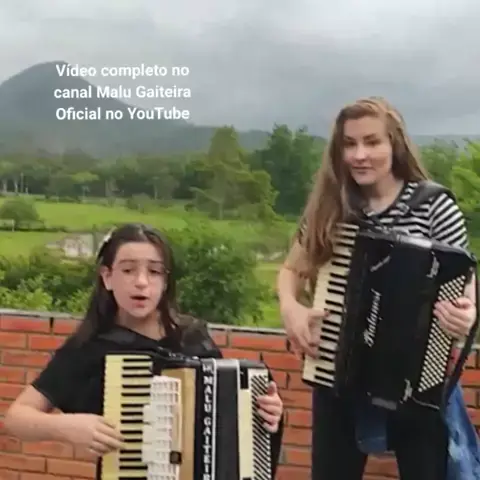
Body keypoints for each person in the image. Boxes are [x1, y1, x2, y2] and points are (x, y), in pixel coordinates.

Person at [277, 96, 478, 479]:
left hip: (418, 379)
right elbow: (292, 269)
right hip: (338, 373)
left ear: (394, 144)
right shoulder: (331, 206)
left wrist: (465, 315)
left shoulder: (435, 206)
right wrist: (291, 307)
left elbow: (465, 286)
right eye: (349, 144)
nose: (359, 155)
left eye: (372, 142)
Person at [4, 223, 284, 477]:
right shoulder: (90, 348)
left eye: (154, 271)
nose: (141, 281)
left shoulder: (192, 338)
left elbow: (228, 415)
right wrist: (67, 427)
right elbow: (17, 417)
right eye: (128, 270)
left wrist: (267, 412)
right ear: (107, 277)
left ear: (165, 282)